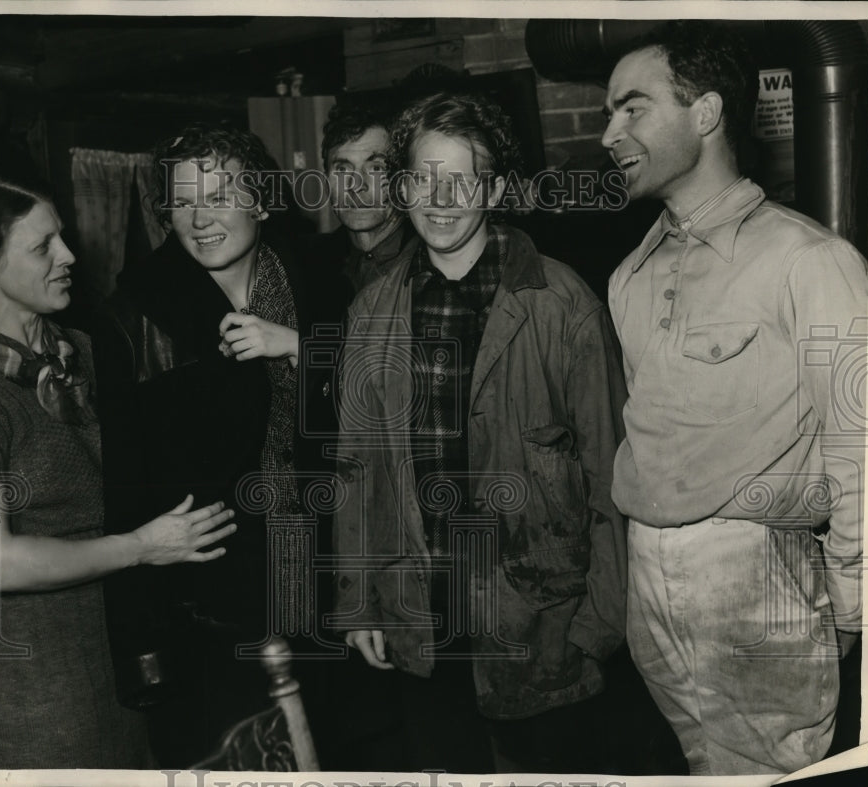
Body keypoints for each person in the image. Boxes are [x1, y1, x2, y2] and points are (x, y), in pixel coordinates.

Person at [332, 92, 628, 773]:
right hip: (422, 621)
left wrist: (596, 627)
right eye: (423, 177)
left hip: (539, 625)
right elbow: (355, 468)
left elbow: (612, 481)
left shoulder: (564, 305)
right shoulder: (372, 310)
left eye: (462, 178)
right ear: (402, 187)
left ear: (493, 187)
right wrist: (357, 603)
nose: (440, 197)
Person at [0, 171, 237, 770]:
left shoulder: (87, 350)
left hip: (125, 668)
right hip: (34, 693)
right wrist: (140, 546)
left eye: (62, 237)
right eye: (42, 246)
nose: (70, 256)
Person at [601, 21, 866, 775]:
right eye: (606, 113)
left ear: (707, 113)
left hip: (756, 577)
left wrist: (853, 605)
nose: (608, 132)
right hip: (650, 584)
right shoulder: (630, 275)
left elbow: (863, 442)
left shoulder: (808, 260)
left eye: (631, 107)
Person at [91, 122, 347, 767]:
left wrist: (301, 348)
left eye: (220, 194)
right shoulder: (133, 315)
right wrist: (143, 654)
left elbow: (390, 399)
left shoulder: (321, 275)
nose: (200, 218)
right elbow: (122, 493)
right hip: (212, 604)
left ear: (261, 199)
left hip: (332, 579)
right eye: (181, 201)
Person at [300, 102, 416, 296]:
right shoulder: (306, 264)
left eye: (376, 168)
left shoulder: (428, 260)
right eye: (343, 169)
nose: (356, 184)